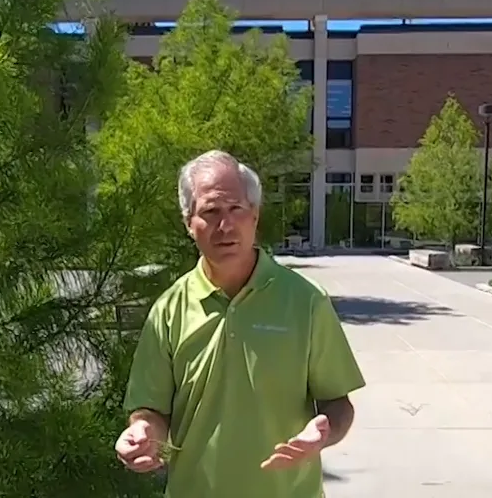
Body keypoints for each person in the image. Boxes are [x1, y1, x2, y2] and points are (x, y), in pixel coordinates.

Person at [115, 150, 365, 498]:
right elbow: (151, 408)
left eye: (236, 209)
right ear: (189, 223)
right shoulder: (169, 309)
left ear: (255, 215)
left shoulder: (306, 301)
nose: (225, 225)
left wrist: (324, 432)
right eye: (210, 212)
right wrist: (143, 433)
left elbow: (338, 402)